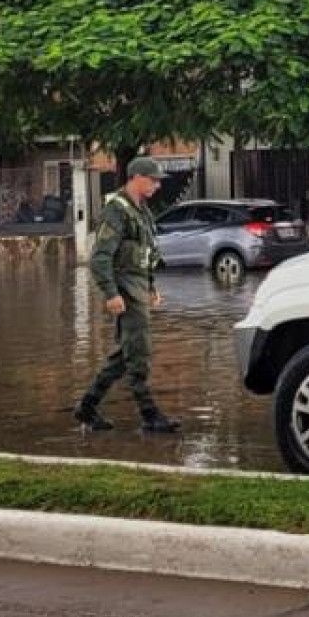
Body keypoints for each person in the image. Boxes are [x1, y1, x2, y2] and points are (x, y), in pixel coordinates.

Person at [72, 158, 181, 434]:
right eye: (153, 180)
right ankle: (149, 414)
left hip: (138, 288)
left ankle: (87, 407)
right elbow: (100, 258)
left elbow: (144, 255)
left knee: (125, 354)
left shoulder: (142, 211)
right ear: (136, 178)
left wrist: (152, 286)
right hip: (126, 291)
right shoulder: (116, 210)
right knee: (139, 352)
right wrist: (111, 293)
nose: (157, 185)